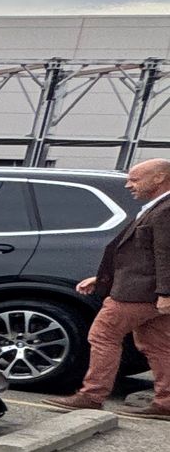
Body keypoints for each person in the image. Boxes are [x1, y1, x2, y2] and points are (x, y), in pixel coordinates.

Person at [64, 156, 170, 412]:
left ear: (159, 178)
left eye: (135, 179)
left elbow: (166, 253)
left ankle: (92, 395)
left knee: (102, 336)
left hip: (137, 294)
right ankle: (166, 403)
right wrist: (101, 280)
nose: (128, 185)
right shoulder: (158, 207)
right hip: (149, 294)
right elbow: (140, 255)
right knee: (158, 346)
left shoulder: (166, 210)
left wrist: (166, 292)